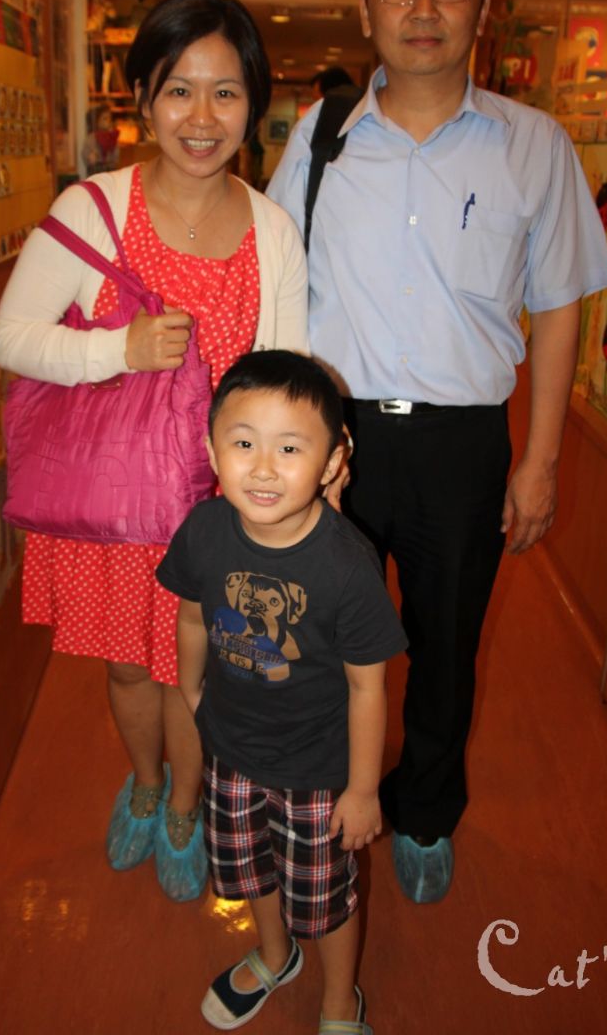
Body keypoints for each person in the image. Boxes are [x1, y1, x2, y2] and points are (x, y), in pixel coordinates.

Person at [268, 0, 607, 905]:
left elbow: (557, 308)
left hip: (463, 444)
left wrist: (538, 460)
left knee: (446, 646)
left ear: (481, 6)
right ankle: (320, 799)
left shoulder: (533, 145)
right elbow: (275, 283)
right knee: (315, 637)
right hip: (331, 441)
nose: (422, 7)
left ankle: (424, 812)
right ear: (366, 6)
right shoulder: (320, 138)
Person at [0, 0, 309, 902]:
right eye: (178, 90)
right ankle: (143, 783)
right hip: (118, 504)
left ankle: (183, 808)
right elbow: (11, 338)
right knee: (131, 668)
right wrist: (116, 351)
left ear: (253, 103)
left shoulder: (273, 230)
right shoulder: (93, 208)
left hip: (219, 510)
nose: (201, 118)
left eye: (226, 93)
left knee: (202, 679)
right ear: (142, 98)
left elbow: (288, 374)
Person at [156, 350, 406, 1033]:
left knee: (325, 899)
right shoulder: (205, 530)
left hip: (317, 772)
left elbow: (368, 687)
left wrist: (362, 790)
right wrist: (190, 689)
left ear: (332, 461)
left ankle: (339, 1000)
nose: (264, 468)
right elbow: (191, 616)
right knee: (248, 870)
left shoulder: (347, 567)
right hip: (231, 751)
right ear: (212, 448)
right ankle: (274, 954)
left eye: (290, 448)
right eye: (243, 444)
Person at [81, 103, 120, 175]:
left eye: (109, 118)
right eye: (104, 119)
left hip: (110, 170)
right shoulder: (92, 138)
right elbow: (85, 153)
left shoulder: (112, 137)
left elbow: (116, 157)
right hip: (96, 171)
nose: (108, 121)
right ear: (97, 121)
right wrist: (89, 157)